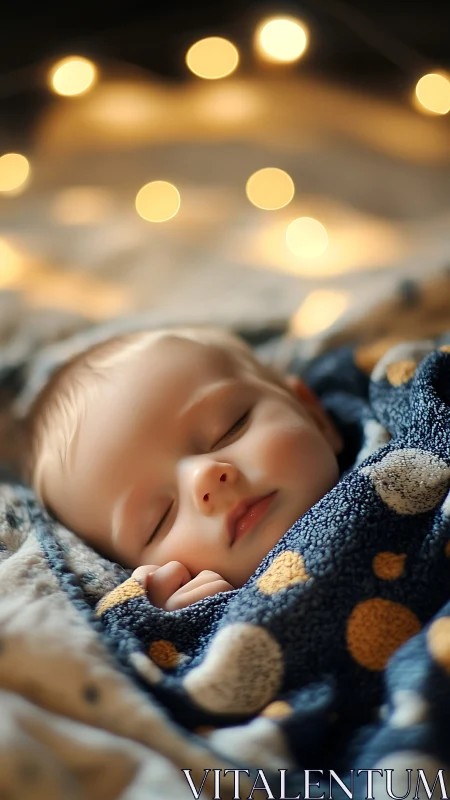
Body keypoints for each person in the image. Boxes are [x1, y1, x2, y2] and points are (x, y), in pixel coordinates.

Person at [21, 326, 343, 611]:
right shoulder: (203, 632)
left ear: (312, 413)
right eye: (161, 518)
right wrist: (177, 625)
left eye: (231, 428)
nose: (203, 478)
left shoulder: (388, 424)